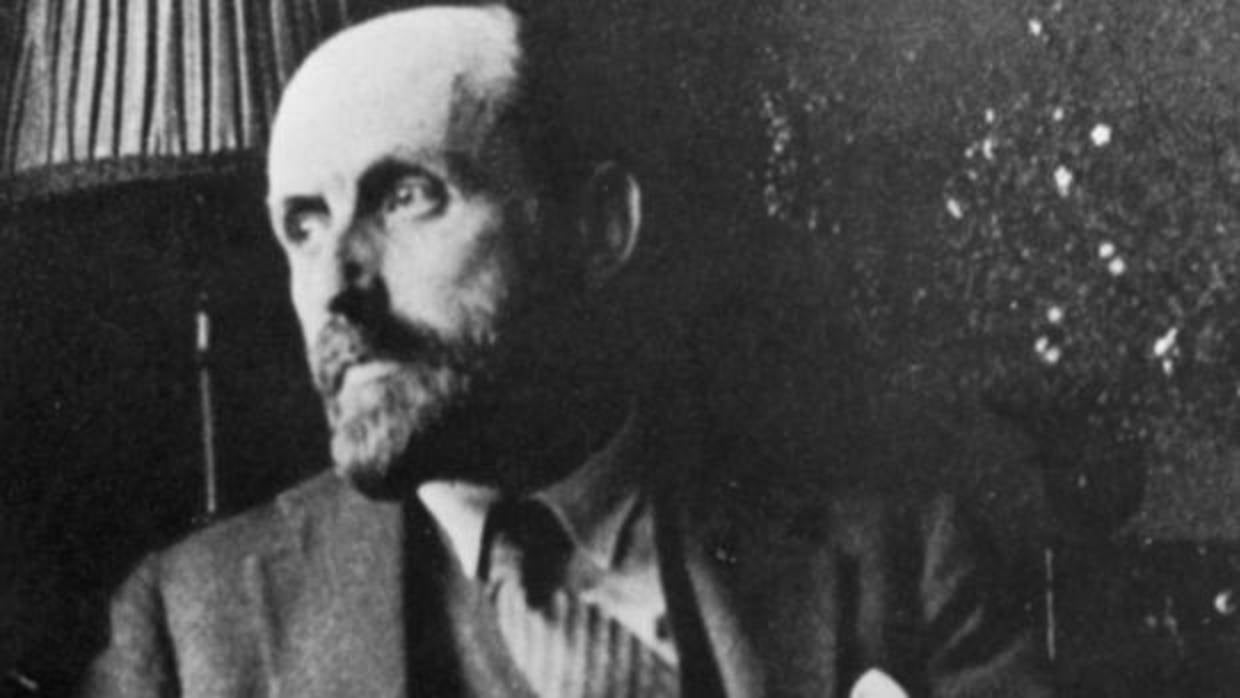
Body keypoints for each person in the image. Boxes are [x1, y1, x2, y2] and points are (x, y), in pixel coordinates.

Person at [80, 3, 1052, 697]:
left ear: (597, 227)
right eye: (303, 223)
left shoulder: (900, 559)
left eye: (406, 197)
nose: (337, 283)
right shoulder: (190, 630)